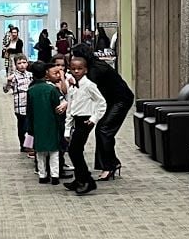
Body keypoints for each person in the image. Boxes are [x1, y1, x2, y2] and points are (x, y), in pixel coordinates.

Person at [71, 42, 134, 180]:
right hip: (111, 100)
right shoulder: (92, 67)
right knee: (103, 130)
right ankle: (112, 163)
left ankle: (109, 166)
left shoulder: (96, 70)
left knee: (104, 130)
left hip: (120, 100)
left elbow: (89, 93)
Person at [63, 53, 107, 196]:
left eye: (80, 68)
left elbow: (101, 103)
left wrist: (94, 119)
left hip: (85, 120)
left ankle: (88, 180)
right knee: (75, 150)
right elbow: (70, 109)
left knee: (74, 150)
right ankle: (80, 179)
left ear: (86, 70)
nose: (76, 71)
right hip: (76, 119)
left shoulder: (89, 85)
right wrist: (67, 129)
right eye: (73, 68)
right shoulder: (72, 87)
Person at [25, 61, 64, 185]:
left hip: (37, 124)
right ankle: (55, 175)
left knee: (40, 152)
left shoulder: (31, 90)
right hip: (52, 123)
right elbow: (58, 107)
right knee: (54, 151)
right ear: (46, 73)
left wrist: (29, 127)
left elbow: (29, 111)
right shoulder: (51, 89)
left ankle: (42, 175)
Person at [2, 53, 32, 150]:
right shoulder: (14, 77)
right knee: (22, 127)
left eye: (24, 62)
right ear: (15, 65)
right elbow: (5, 90)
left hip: (30, 105)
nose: (22, 65)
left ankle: (29, 145)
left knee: (29, 127)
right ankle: (22, 144)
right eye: (19, 63)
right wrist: (8, 82)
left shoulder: (30, 75)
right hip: (19, 106)